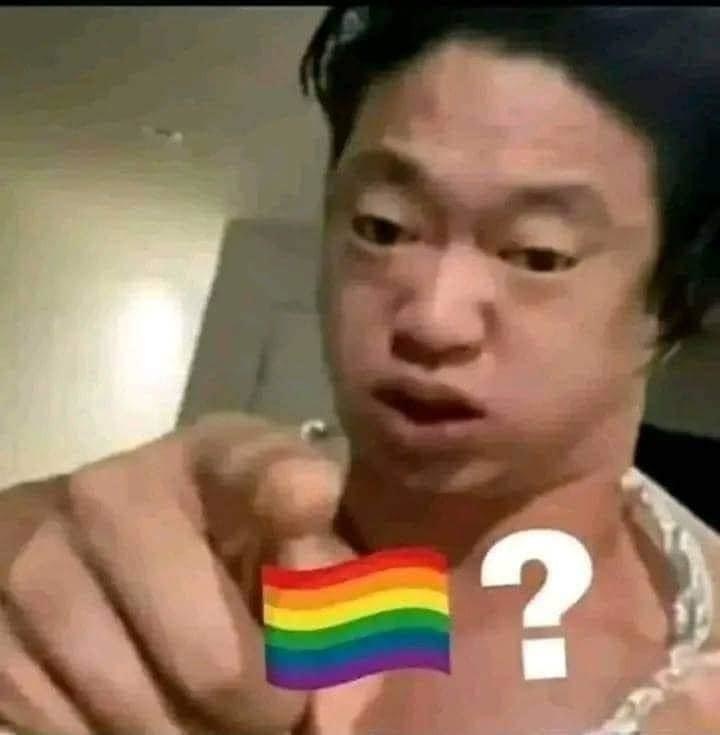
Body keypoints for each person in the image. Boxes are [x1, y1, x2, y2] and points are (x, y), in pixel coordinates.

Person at [1, 6, 719, 734]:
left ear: (676, 301)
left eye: (538, 255)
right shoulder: (201, 551)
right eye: (384, 228)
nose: (433, 319)